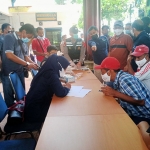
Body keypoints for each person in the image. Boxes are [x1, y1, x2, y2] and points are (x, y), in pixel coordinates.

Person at [95, 57, 150, 149]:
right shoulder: (118, 79)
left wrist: (115, 93)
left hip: (143, 114)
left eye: (102, 71)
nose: (101, 74)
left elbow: (141, 101)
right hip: (133, 111)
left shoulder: (124, 79)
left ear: (110, 71)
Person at [24, 54, 71, 123]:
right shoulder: (51, 75)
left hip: (31, 106)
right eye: (64, 68)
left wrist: (58, 82)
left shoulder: (46, 70)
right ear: (59, 65)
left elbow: (52, 83)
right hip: (35, 112)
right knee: (61, 110)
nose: (64, 70)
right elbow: (61, 93)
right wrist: (67, 88)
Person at [1, 24, 39, 107]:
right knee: (9, 97)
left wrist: (32, 63)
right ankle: (12, 116)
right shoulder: (9, 37)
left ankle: (21, 112)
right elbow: (9, 55)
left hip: (20, 71)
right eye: (29, 36)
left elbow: (25, 56)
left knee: (21, 96)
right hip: (9, 73)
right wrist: (27, 64)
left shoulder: (22, 41)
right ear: (24, 31)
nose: (29, 39)